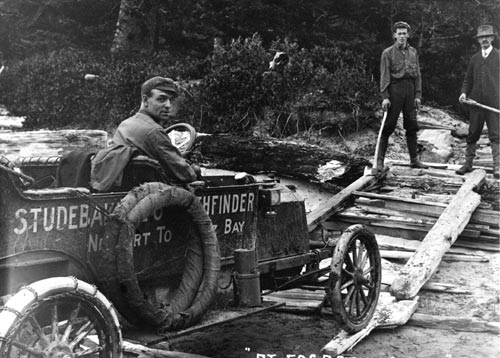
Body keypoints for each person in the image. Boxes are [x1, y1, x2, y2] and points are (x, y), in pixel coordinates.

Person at [111, 76, 199, 184]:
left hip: (127, 185)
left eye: (170, 100)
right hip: (150, 192)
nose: (168, 105)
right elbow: (185, 174)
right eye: (161, 99)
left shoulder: (126, 124)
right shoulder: (154, 132)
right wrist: (194, 170)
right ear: (145, 100)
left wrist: (179, 157)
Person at [378, 21, 428, 171]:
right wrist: (385, 97)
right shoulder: (387, 53)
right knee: (388, 126)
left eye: (404, 33)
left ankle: (414, 160)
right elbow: (384, 76)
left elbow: (417, 75)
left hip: (410, 91)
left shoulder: (413, 52)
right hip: (395, 91)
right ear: (394, 35)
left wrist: (418, 95)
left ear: (408, 35)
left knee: (412, 126)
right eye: (399, 33)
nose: (402, 36)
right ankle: (379, 161)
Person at [456, 24, 500, 178]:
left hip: (495, 104)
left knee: (495, 135)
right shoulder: (474, 59)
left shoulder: (499, 56)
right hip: (476, 103)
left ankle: (497, 167)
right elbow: (468, 79)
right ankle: (468, 164)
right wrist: (463, 93)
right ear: (478, 40)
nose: (484, 40)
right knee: (473, 132)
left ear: (493, 38)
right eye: (481, 37)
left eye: (487, 37)